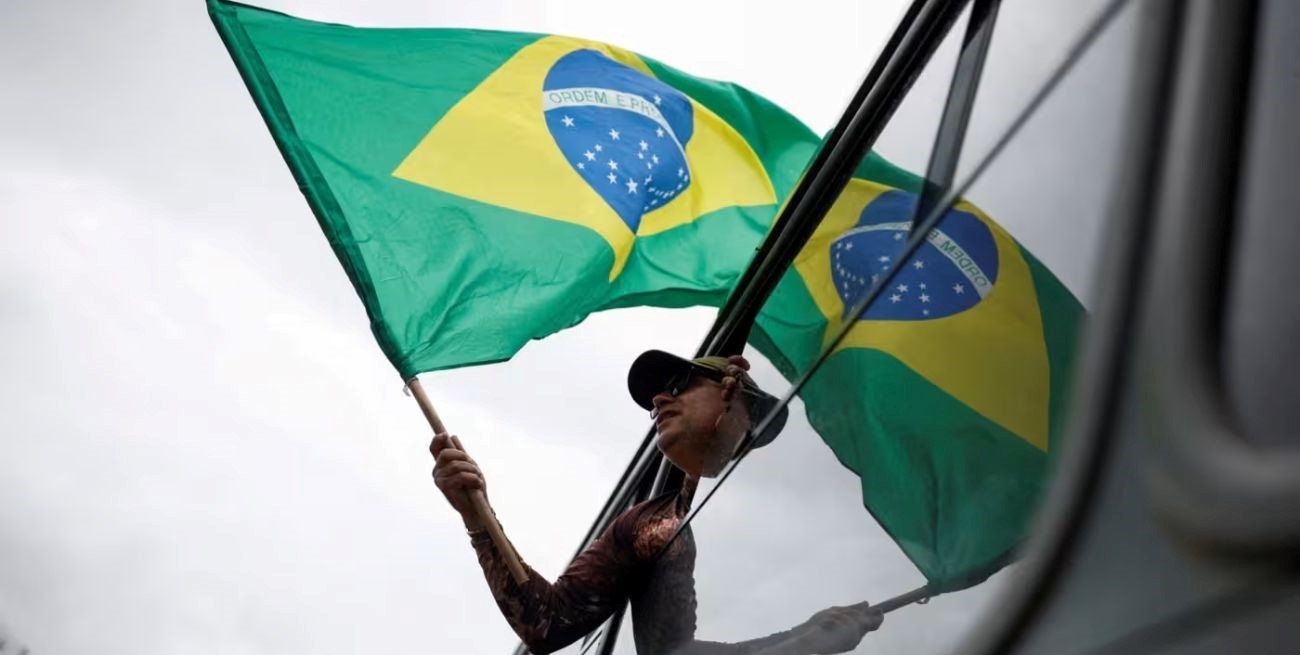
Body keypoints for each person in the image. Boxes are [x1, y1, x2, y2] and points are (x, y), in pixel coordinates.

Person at [430, 350, 884, 655]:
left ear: (734, 389)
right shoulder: (649, 524)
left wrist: (803, 638)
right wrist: (476, 515)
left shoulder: (810, 485)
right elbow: (549, 623)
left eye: (680, 383)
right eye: (656, 397)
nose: (660, 398)